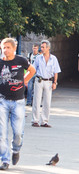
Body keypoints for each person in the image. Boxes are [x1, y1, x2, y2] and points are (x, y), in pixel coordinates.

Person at [0, 38, 36, 170]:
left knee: (18, 133)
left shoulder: (21, 61)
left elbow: (32, 71)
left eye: (9, 47)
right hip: (2, 101)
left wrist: (25, 81)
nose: (6, 50)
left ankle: (15, 150)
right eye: (4, 47)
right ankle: (5, 160)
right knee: (1, 133)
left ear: (14, 49)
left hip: (18, 102)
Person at [31, 40, 61, 128]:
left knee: (47, 102)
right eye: (41, 47)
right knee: (36, 100)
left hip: (48, 81)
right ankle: (35, 120)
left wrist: (55, 82)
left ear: (48, 48)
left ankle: (44, 121)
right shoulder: (38, 58)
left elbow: (56, 72)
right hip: (39, 80)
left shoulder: (54, 59)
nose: (42, 49)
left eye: (44, 47)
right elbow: (33, 69)